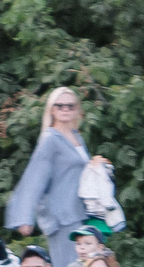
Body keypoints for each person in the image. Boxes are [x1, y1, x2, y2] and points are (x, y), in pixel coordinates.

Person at [8, 86, 97, 238]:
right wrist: (24, 217)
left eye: (70, 106)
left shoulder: (77, 136)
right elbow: (34, 177)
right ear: (52, 110)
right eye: (60, 105)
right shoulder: (50, 139)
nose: (65, 109)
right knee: (68, 262)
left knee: (85, 262)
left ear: (77, 110)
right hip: (62, 216)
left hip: (81, 212)